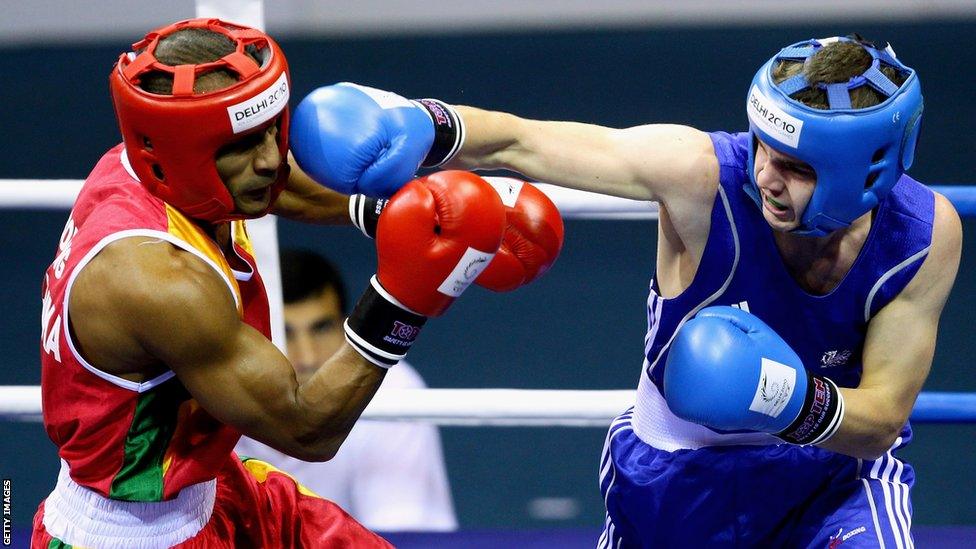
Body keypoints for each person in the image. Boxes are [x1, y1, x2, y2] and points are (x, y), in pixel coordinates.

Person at [289, 34, 962, 547]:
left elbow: (879, 423)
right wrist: (424, 126)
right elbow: (527, 141)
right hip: (677, 480)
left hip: (831, 482)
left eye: (793, 166)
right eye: (761, 147)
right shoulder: (701, 177)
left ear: (863, 173)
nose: (765, 175)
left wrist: (782, 399)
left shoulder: (924, 236)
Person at [29, 18, 554, 548]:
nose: (268, 160)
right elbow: (307, 427)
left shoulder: (146, 164)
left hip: (216, 490)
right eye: (239, 146)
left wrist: (410, 216)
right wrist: (405, 297)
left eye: (270, 132)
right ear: (175, 153)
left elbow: (273, 186)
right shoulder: (158, 279)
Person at [235, 249, 458, 531]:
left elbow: (403, 533)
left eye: (321, 328)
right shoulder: (210, 390)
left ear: (346, 325)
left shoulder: (393, 393)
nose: (307, 357)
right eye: (285, 332)